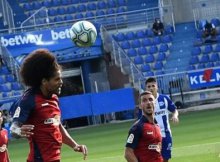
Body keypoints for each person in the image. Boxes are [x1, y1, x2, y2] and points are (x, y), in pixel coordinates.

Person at [9, 49, 88, 162]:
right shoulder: (29, 99)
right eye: (57, 79)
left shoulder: (54, 98)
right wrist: (18, 131)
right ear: (44, 81)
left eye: (61, 78)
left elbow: (58, 126)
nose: (61, 82)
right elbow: (13, 128)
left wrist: (75, 145)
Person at [145, 77, 179, 162]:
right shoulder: (144, 102)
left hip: (166, 134)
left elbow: (174, 110)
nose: (151, 88)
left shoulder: (164, 98)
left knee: (165, 159)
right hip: (152, 136)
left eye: (153, 86)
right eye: (149, 86)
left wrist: (175, 115)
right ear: (146, 88)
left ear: (157, 87)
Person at [124, 91, 163, 162]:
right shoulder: (137, 127)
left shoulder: (157, 126)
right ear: (140, 106)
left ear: (155, 103)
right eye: (144, 100)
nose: (148, 102)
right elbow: (128, 153)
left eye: (150, 99)